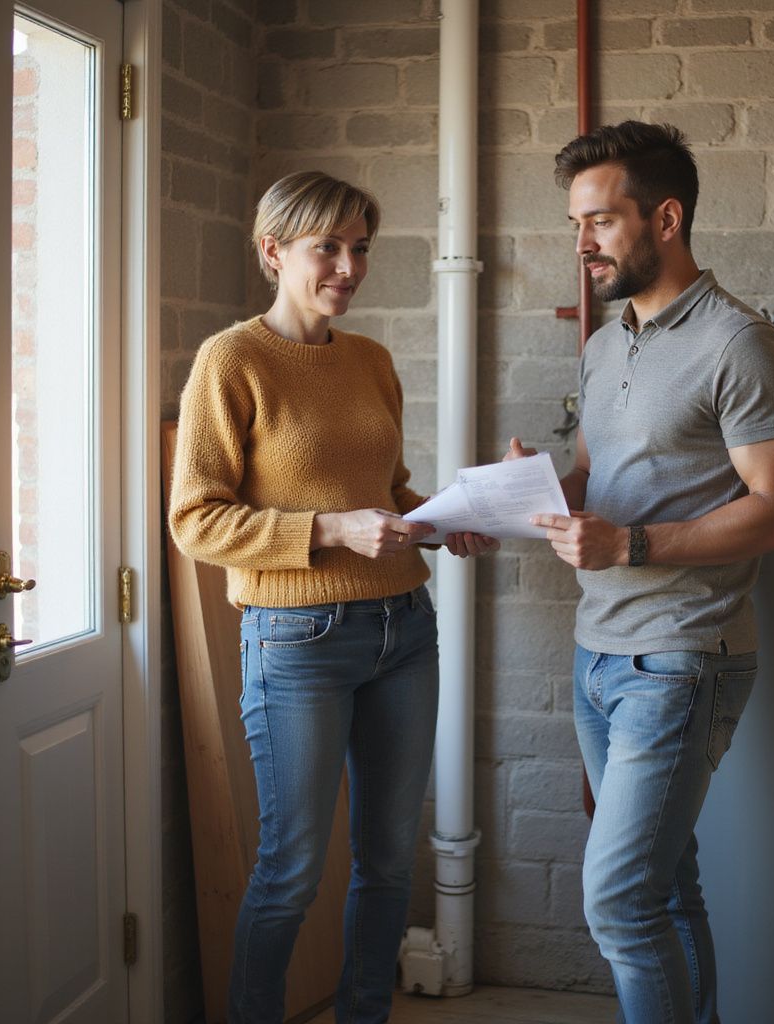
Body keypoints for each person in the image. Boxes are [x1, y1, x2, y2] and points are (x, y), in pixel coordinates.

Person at [506, 122, 774, 1024]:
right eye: (576, 223)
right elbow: (595, 480)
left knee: (617, 899)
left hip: (682, 660)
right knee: (666, 891)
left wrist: (632, 547)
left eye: (600, 221)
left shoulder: (740, 345)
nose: (582, 244)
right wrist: (520, 496)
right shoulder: (606, 346)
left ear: (666, 218)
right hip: (597, 653)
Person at [169, 171, 494, 1024]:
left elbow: (384, 490)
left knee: (389, 862)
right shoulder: (231, 360)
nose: (348, 267)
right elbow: (195, 522)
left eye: (360, 249)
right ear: (273, 251)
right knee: (291, 868)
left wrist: (446, 518)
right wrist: (329, 531)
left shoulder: (372, 361)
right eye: (328, 248)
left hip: (405, 631)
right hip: (297, 640)